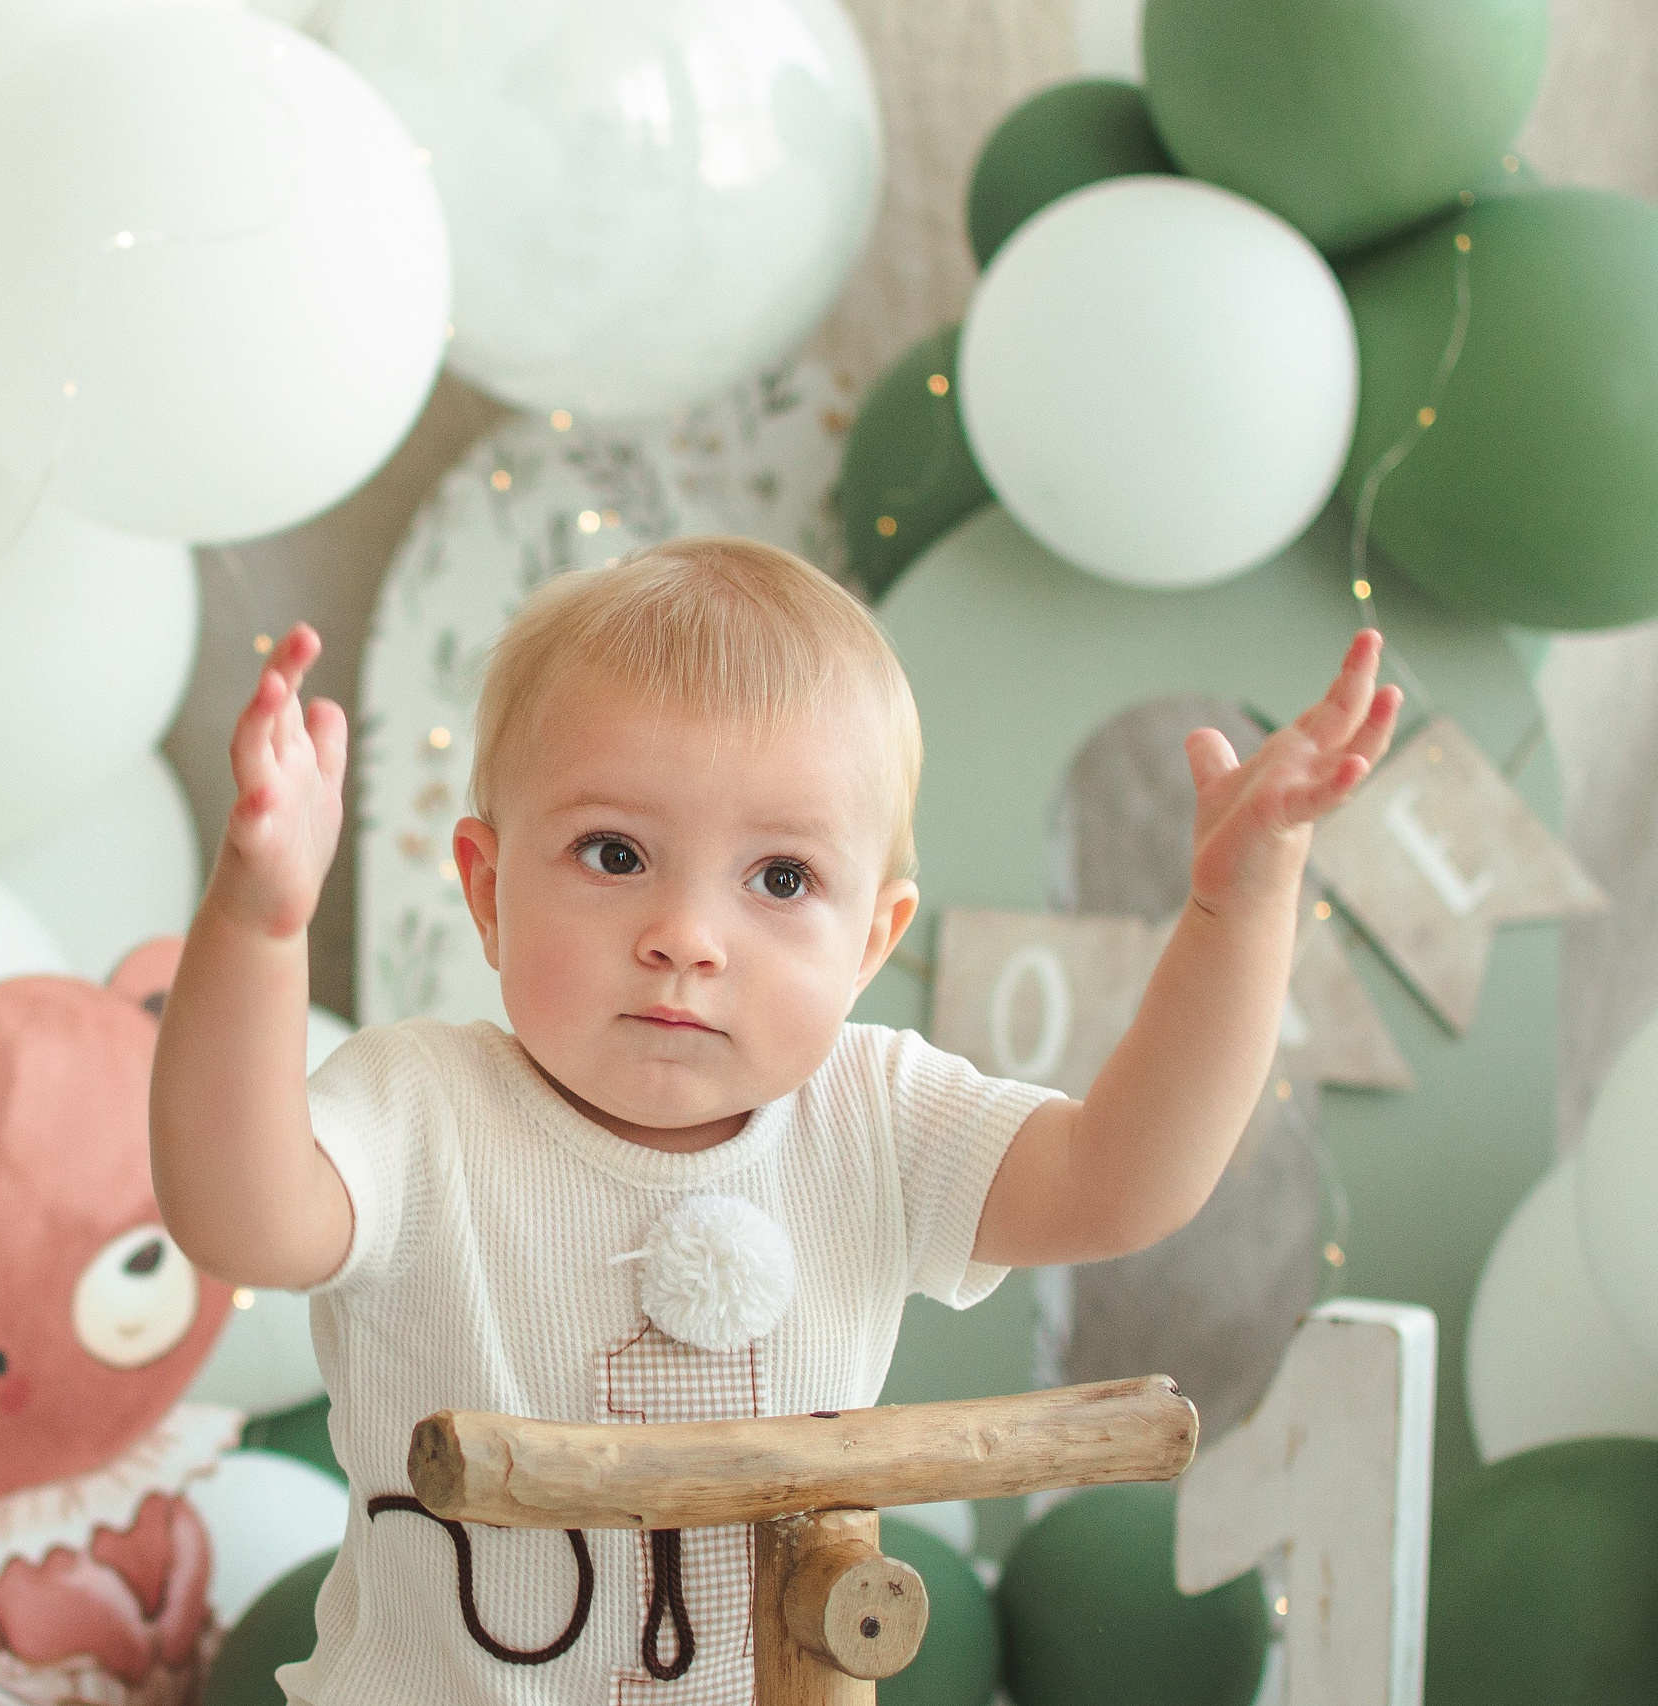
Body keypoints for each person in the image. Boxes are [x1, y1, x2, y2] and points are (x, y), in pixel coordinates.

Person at [150, 535, 1400, 1704]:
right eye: (613, 853)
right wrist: (259, 928)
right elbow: (240, 1215)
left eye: (781, 878)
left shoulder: (875, 1114)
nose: (686, 936)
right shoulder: (420, 1106)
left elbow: (1126, 1180)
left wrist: (1236, 920)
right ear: (486, 890)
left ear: (871, 941)